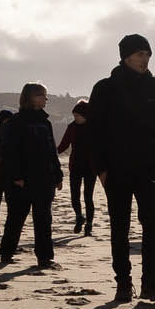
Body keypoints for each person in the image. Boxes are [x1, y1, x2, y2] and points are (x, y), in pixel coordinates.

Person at [86, 33, 155, 302]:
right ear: (125, 56)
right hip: (115, 170)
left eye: (147, 54)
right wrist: (100, 169)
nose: (144, 59)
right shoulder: (105, 88)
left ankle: (150, 283)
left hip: (148, 170)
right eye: (139, 54)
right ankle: (123, 283)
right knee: (119, 228)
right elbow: (94, 132)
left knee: (151, 226)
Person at [0, 84, 62, 268]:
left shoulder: (45, 122)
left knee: (43, 219)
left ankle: (45, 257)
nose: (45, 99)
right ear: (31, 97)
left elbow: (52, 151)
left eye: (45, 95)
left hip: (44, 178)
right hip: (22, 180)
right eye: (42, 95)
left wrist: (58, 175)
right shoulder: (15, 122)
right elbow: (10, 151)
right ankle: (6, 252)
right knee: (16, 218)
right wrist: (17, 176)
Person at [56, 100, 97, 235]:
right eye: (74, 116)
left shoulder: (94, 127)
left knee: (88, 196)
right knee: (74, 195)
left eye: (78, 116)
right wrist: (51, 152)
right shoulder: (71, 127)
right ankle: (79, 216)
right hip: (75, 165)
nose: (76, 118)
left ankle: (89, 224)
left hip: (91, 167)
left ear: (85, 115)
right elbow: (63, 145)